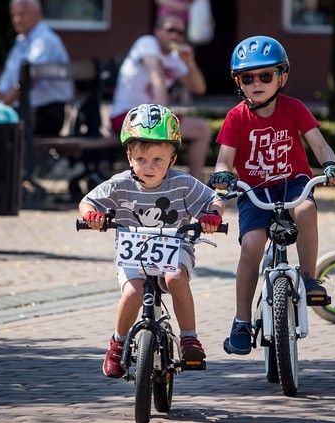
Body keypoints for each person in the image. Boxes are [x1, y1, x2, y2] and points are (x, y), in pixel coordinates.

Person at [206, 35, 335, 356]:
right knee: (252, 245)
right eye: (247, 78)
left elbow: (320, 145)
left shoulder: (294, 108)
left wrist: (331, 165)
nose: (256, 83)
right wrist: (223, 174)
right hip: (254, 190)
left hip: (293, 183)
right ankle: (242, 322)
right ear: (238, 82)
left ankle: (309, 279)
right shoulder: (236, 117)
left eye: (265, 76)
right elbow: (224, 159)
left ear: (281, 77)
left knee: (306, 210)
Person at [79, 103, 226, 378]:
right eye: (141, 159)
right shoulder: (120, 184)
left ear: (172, 159)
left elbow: (214, 200)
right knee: (133, 292)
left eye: (158, 160)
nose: (149, 167)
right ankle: (117, 344)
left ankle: (189, 338)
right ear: (129, 156)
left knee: (176, 278)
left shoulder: (183, 183)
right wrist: (92, 216)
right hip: (133, 253)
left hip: (175, 247)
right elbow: (88, 202)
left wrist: (212, 217)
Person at [109, 13, 211, 180]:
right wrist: (165, 120)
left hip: (153, 118)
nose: (175, 36)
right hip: (126, 116)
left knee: (203, 129)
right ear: (157, 31)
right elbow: (156, 77)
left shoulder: (175, 57)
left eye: (180, 32)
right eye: (170, 30)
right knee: (160, 139)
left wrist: (190, 63)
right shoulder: (147, 43)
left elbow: (199, 88)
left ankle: (195, 184)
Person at [0, 0, 73, 136]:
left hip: (44, 113)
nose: (17, 20)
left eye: (22, 14)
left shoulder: (45, 40)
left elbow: (26, 81)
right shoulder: (20, 42)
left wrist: (0, 109)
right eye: (14, 15)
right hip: (24, 111)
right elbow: (3, 87)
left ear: (38, 14)